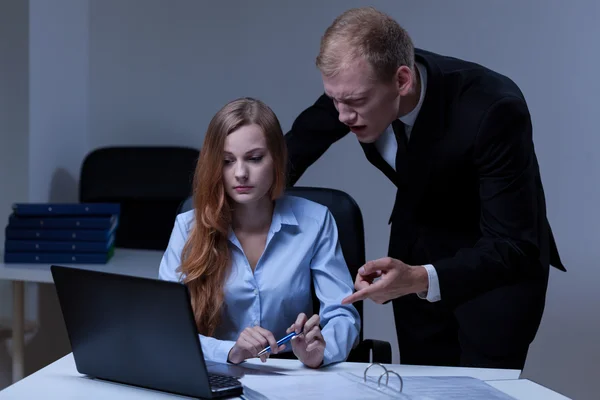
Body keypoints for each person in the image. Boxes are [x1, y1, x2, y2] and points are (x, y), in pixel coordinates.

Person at [284, 7, 566, 369]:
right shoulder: (354, 89)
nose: (341, 115)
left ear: (402, 81)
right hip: (416, 256)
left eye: (353, 103)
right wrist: (226, 202)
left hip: (496, 273)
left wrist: (419, 277)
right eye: (334, 100)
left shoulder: (493, 109)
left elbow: (514, 243)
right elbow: (291, 151)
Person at [158, 97, 360, 368]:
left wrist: (320, 351)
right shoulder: (188, 227)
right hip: (218, 373)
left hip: (296, 375)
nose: (240, 173)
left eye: (254, 159)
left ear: (276, 159)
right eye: (227, 161)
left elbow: (342, 315)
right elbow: (168, 328)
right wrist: (231, 350)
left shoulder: (316, 221)